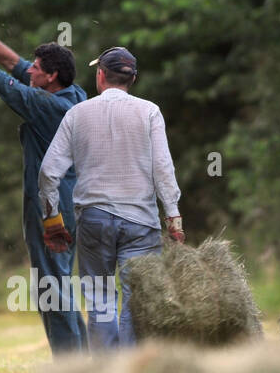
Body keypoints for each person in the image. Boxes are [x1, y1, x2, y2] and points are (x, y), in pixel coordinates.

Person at [37, 46, 185, 350]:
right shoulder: (149, 112)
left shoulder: (77, 114)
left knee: (100, 297)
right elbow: (163, 169)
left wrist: (52, 221)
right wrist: (173, 217)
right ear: (133, 79)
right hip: (141, 224)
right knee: (137, 301)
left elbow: (48, 173)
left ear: (100, 75)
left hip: (93, 221)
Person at [0, 10, 88, 354]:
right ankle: (81, 360)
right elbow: (11, 63)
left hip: (52, 209)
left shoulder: (46, 106)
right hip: (73, 202)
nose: (28, 69)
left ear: (51, 77)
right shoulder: (74, 94)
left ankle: (70, 368)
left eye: (36, 68)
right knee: (60, 282)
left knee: (51, 286)